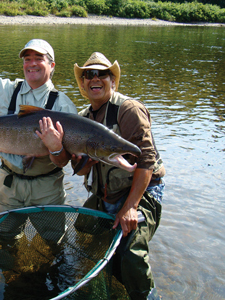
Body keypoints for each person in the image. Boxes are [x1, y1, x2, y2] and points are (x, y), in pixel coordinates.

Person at [0, 39, 77, 245]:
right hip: (8, 185)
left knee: (54, 241)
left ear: (52, 65)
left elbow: (64, 162)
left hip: (47, 187)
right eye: (27, 59)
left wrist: (56, 149)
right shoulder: (8, 90)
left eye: (39, 59)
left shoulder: (63, 106)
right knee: (4, 238)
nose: (31, 64)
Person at [72, 52, 166, 300]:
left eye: (101, 73)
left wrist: (131, 207)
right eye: (88, 74)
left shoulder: (128, 109)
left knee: (131, 253)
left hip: (142, 190)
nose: (95, 78)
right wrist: (85, 159)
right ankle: (114, 278)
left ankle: (146, 296)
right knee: (83, 227)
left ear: (112, 80)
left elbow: (147, 159)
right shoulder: (82, 119)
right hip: (106, 193)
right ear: (82, 83)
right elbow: (80, 170)